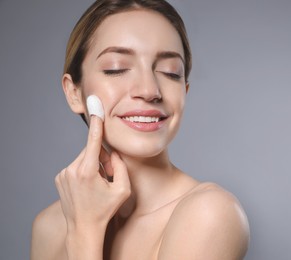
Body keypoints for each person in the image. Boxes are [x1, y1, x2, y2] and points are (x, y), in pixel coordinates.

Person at [30, 0, 250, 259]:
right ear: (74, 93)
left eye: (171, 72)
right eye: (117, 68)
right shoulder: (49, 227)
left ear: (184, 92)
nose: (149, 91)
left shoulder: (210, 213)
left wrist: (84, 236)